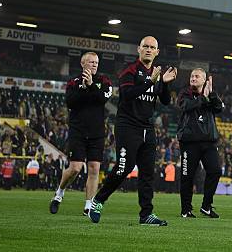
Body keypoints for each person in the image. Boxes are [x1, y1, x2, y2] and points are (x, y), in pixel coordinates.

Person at [89, 36, 176, 226]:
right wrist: (150, 82)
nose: (148, 49)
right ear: (138, 49)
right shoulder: (129, 70)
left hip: (147, 127)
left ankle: (146, 214)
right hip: (128, 125)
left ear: (157, 52)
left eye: (152, 47)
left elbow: (166, 101)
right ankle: (98, 200)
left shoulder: (157, 73)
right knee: (124, 168)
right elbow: (127, 95)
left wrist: (165, 83)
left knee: (147, 172)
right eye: (145, 46)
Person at [50, 51, 113, 216]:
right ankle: (59, 193)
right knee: (75, 168)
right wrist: (83, 88)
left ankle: (88, 205)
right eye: (91, 62)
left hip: (97, 132)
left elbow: (103, 99)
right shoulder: (73, 82)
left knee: (94, 169)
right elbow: (70, 102)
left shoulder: (104, 80)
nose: (94, 65)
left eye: (96, 62)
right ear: (82, 63)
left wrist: (91, 85)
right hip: (78, 130)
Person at [177, 69, 223, 218]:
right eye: (192, 76)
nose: (193, 78)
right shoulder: (185, 93)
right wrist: (203, 98)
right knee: (187, 176)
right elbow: (185, 106)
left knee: (215, 171)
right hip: (189, 142)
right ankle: (186, 209)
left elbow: (219, 108)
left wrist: (212, 95)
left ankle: (206, 206)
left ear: (204, 80)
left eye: (197, 76)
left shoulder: (210, 94)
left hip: (208, 142)